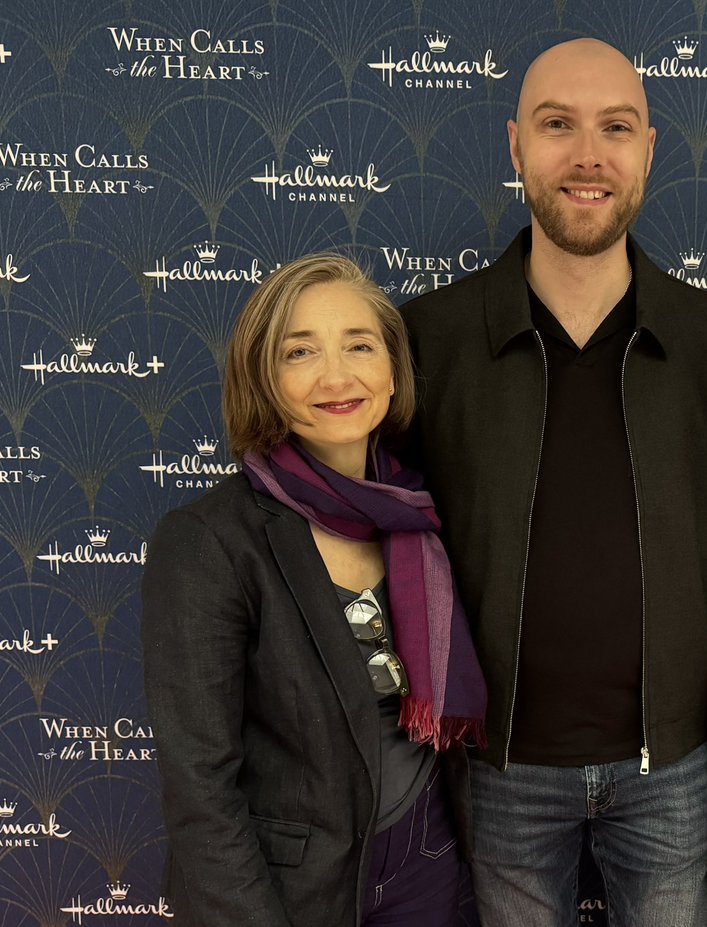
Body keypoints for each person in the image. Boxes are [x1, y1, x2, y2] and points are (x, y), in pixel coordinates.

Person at [401, 37, 707, 927]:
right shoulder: (430, 340)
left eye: (615, 128)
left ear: (648, 150)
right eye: (559, 125)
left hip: (673, 767)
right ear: (516, 145)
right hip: (498, 768)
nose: (588, 155)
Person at [140, 254, 487, 927]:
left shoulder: (421, 515)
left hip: (429, 861)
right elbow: (200, 788)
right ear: (265, 377)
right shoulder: (209, 541)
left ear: (392, 369)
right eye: (300, 352)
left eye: (359, 345)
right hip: (291, 888)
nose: (337, 375)